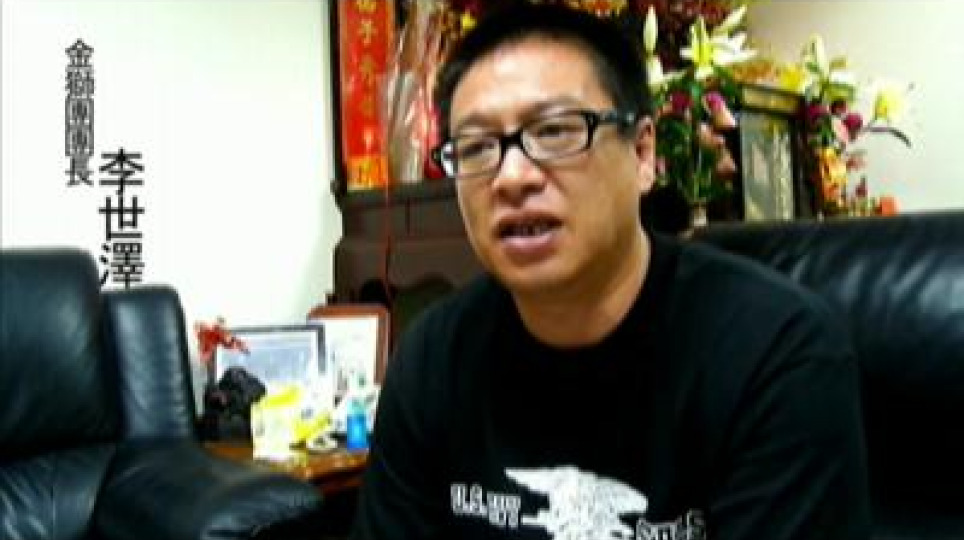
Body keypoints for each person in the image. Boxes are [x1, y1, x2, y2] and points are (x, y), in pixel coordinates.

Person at [352, 3, 870, 539]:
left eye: (555, 131)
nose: (511, 177)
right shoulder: (433, 358)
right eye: (477, 147)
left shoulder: (775, 351)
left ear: (643, 154)